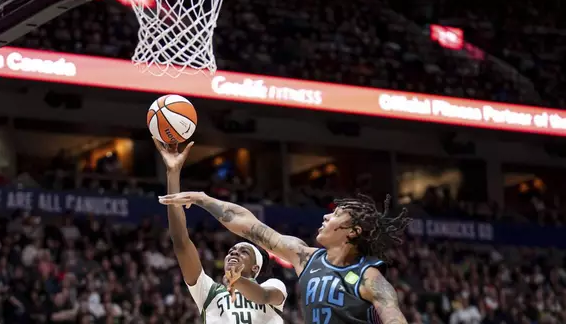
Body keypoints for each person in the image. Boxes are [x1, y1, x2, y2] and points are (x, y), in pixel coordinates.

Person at [159, 182, 412, 324]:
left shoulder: (369, 277)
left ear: (353, 231)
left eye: (336, 214)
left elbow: (394, 319)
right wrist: (204, 199)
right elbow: (247, 225)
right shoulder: (305, 257)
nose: (325, 216)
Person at [153, 138, 288, 324]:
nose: (234, 253)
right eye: (232, 251)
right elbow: (181, 242)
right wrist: (173, 174)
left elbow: (264, 296)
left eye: (243, 252)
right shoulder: (208, 292)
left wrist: (237, 281)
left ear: (255, 268)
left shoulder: (274, 285)